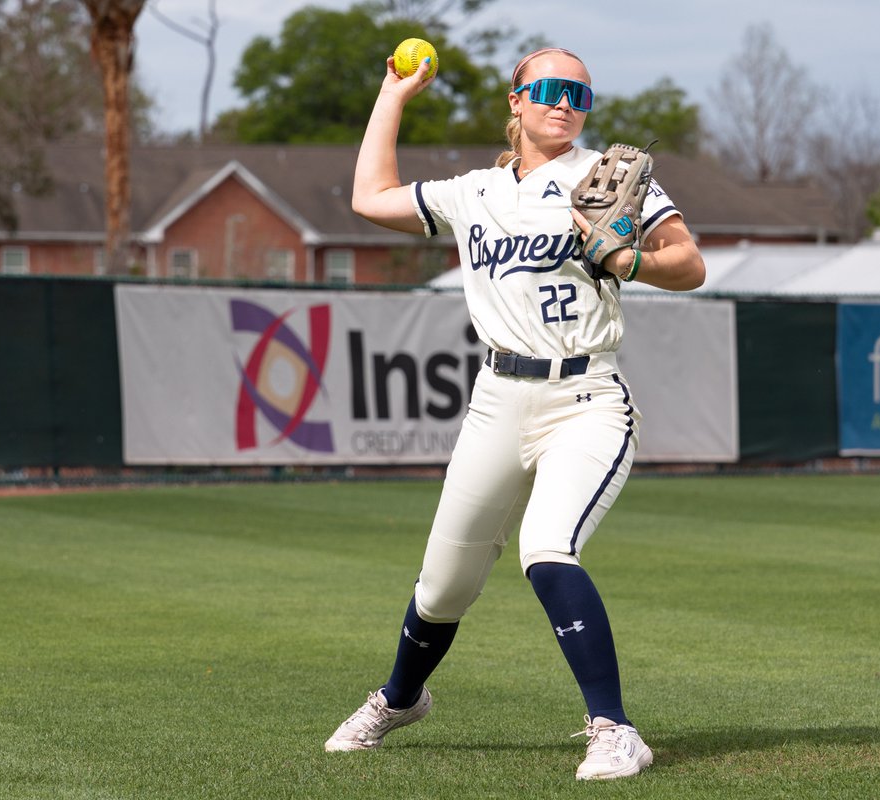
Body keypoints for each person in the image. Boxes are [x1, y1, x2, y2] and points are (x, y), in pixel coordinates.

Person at [323, 45, 705, 781]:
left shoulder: (603, 177)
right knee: (441, 587)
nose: (566, 103)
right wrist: (393, 94)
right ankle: (399, 698)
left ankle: (615, 729)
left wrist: (632, 261)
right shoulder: (474, 193)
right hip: (497, 399)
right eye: (551, 89)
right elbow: (369, 199)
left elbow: (689, 262)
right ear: (516, 101)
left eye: (580, 94)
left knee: (547, 546)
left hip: (585, 397)